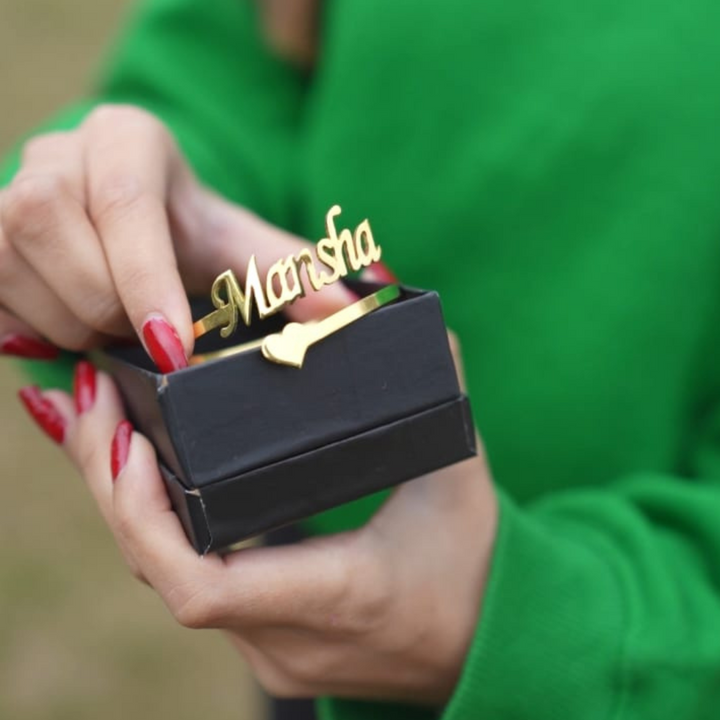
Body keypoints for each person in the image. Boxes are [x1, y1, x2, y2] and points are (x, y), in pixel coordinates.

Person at [3, 0, 720, 718]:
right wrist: (108, 204)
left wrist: (547, 623)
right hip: (302, 542)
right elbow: (224, 78)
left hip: (614, 652)